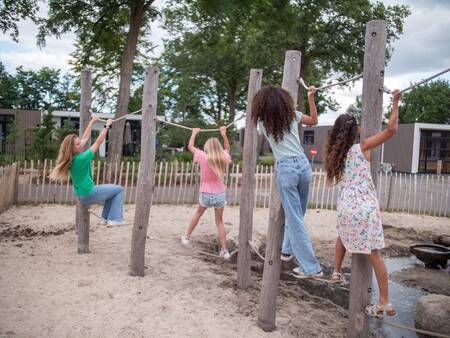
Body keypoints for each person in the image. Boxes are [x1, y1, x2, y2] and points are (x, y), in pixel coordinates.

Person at [325, 90, 401, 316]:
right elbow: (392, 129)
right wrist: (395, 102)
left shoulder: (335, 155)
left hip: (346, 207)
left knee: (342, 234)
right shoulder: (363, 147)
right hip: (365, 207)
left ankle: (336, 272)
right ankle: (384, 302)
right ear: (355, 130)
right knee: (375, 254)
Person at [252, 85, 322, 279]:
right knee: (298, 214)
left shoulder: (261, 123)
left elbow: (256, 118)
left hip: (287, 169)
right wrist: (310, 97)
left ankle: (310, 267)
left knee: (295, 217)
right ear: (284, 100)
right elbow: (314, 121)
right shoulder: (292, 114)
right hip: (303, 164)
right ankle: (287, 250)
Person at [50, 117, 124, 225]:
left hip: (83, 195)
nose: (80, 143)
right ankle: (115, 219)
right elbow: (98, 142)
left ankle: (105, 218)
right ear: (72, 148)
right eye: (77, 144)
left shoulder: (73, 158)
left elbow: (84, 138)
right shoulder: (81, 159)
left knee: (111, 192)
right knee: (119, 189)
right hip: (90, 193)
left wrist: (91, 123)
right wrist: (107, 126)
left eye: (79, 142)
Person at [181, 126, 232, 259]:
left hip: (206, 193)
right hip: (220, 193)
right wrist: (224, 134)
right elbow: (227, 148)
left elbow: (190, 146)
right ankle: (224, 250)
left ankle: (187, 237)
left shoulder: (203, 157)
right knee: (219, 222)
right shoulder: (223, 157)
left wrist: (194, 133)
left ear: (208, 147)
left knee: (198, 214)